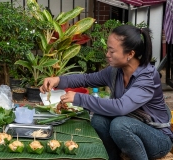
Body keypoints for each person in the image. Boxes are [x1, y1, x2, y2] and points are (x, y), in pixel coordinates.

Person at [40, 25, 173, 160]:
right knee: (99, 120)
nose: (107, 55)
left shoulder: (147, 77)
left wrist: (79, 98)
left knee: (119, 125)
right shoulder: (115, 71)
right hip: (132, 129)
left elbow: (121, 107)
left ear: (130, 54)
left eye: (112, 51)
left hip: (158, 138)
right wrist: (58, 80)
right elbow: (87, 79)